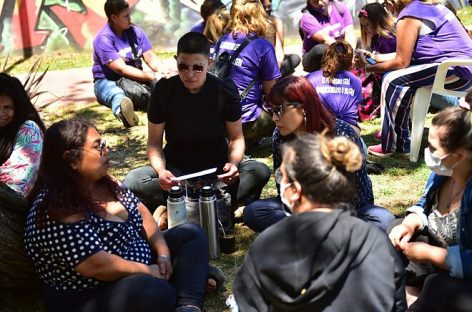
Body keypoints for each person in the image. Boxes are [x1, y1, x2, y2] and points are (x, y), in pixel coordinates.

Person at [24, 119, 209, 312]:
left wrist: (163, 255)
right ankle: (187, 281)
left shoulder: (103, 182)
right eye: (98, 147)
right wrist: (148, 271)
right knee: (149, 291)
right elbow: (98, 266)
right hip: (93, 293)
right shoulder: (57, 209)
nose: (107, 150)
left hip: (140, 266)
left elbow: (144, 216)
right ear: (72, 160)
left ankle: (189, 305)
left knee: (191, 234)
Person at [234, 132, 407, 311]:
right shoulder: (376, 243)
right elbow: (397, 305)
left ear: (295, 191)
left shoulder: (269, 244)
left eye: (281, 176)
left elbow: (249, 303)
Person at [123, 32, 270, 221]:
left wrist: (232, 165)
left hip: (217, 170)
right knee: (134, 180)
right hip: (177, 170)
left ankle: (181, 206)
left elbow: (237, 138)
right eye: (183, 66)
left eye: (197, 68)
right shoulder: (164, 91)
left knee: (259, 171)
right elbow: (154, 144)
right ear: (176, 61)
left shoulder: (224, 89)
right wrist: (161, 172)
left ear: (209, 63)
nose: (190, 74)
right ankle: (213, 203)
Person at [243, 76, 395, 232]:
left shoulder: (341, 134)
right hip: (299, 207)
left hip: (345, 211)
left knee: (384, 220)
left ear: (303, 108)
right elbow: (283, 190)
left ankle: (310, 232)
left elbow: (358, 194)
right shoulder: (279, 136)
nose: (274, 118)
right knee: (254, 212)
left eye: (279, 110)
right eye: (271, 110)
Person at [361, 0, 472, 157]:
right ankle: (399, 138)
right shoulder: (430, 7)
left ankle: (394, 145)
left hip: (454, 70)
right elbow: (406, 52)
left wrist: (367, 68)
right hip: (463, 68)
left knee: (391, 79)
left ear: (393, 4)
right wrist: (375, 58)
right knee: (400, 78)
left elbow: (401, 62)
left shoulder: (409, 16)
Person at [388, 103, 472, 310]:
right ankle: (410, 299)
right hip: (440, 255)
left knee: (440, 288)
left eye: (433, 148)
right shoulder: (443, 173)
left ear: (459, 155)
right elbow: (423, 206)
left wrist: (432, 254)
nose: (429, 152)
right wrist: (410, 222)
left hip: (460, 272)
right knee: (392, 229)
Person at [214, 0, 281, 143]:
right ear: (259, 16)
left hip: (218, 119)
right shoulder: (263, 46)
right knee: (280, 117)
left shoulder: (222, 40)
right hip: (244, 122)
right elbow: (272, 92)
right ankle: (248, 141)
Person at [92, 0, 160, 128]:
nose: (130, 18)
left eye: (129, 14)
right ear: (114, 18)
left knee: (162, 85)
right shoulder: (103, 38)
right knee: (116, 94)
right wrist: (151, 76)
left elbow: (150, 57)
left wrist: (162, 72)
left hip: (135, 78)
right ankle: (123, 113)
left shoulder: (136, 32)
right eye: (126, 16)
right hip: (107, 80)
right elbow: (121, 69)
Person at [0, 73, 45, 197]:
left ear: (18, 107)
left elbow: (17, 184)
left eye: (7, 107)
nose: (1, 113)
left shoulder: (29, 131)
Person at [306, 40, 362, 133]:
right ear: (350, 61)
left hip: (321, 130)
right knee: (362, 147)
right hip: (349, 130)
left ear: (326, 57)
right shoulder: (356, 81)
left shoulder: (311, 78)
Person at [356, 2, 397, 121]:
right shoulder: (376, 38)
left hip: (391, 79)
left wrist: (368, 62)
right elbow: (376, 61)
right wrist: (368, 58)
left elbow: (390, 64)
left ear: (377, 22)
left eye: (367, 25)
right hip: (382, 79)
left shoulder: (388, 39)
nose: (365, 29)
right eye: (362, 26)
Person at [299, 0, 357, 72]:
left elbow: (350, 33)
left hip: (339, 49)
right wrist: (347, 55)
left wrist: (351, 52)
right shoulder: (307, 18)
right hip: (316, 56)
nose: (320, 3)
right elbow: (326, 40)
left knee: (359, 44)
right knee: (322, 49)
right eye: (315, 1)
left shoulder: (340, 8)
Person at [260, 0, 301, 77]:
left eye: (269, 7)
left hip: (273, 60)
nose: (267, 9)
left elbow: (279, 48)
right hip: (259, 61)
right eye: (264, 7)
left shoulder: (276, 21)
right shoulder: (254, 23)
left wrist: (278, 64)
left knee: (295, 58)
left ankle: (274, 76)